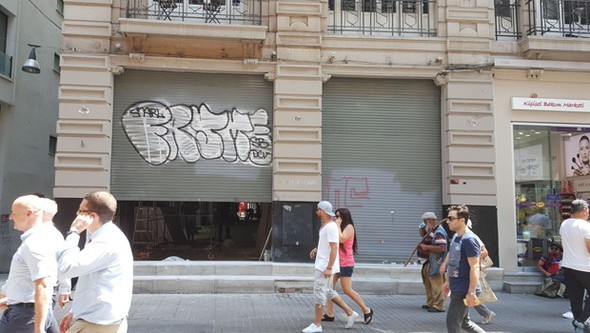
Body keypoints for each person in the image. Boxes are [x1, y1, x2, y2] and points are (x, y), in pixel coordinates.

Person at [58, 191, 133, 333]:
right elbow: (90, 278)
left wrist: (73, 233)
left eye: (80, 210)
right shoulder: (101, 235)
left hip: (98, 323)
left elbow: (65, 268)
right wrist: (75, 311)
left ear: (92, 216)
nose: (76, 213)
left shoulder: (105, 241)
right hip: (98, 319)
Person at [0, 195, 58, 333]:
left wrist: (38, 328)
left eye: (14, 213)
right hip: (30, 312)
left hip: (25, 317)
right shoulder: (38, 239)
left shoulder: (33, 244)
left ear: (29, 213)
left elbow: (42, 286)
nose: (10, 217)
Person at [302, 201, 359, 333]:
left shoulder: (331, 227)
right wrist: (317, 249)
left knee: (319, 293)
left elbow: (334, 248)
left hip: (324, 267)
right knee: (328, 292)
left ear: (323, 211)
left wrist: (328, 267)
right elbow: (328, 245)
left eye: (318, 210)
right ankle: (350, 313)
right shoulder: (326, 226)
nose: (316, 212)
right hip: (323, 264)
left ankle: (317, 324)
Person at [322, 208, 373, 324]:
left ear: (344, 217)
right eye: (335, 216)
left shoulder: (349, 227)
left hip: (345, 264)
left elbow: (342, 238)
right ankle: (329, 313)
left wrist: (338, 225)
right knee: (330, 289)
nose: (336, 218)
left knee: (347, 290)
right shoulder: (337, 227)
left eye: (339, 216)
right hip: (336, 263)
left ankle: (366, 310)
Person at [440, 204, 486, 333]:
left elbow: (475, 266)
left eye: (450, 218)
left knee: (453, 322)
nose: (447, 221)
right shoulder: (456, 236)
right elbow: (453, 262)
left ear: (461, 220)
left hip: (464, 288)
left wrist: (471, 292)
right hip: (457, 286)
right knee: (465, 322)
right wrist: (448, 282)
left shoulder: (469, 240)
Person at [559, 199, 590, 333]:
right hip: (585, 267)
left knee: (575, 298)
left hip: (568, 266)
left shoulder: (564, 224)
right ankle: (581, 321)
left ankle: (578, 326)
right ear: (584, 210)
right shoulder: (585, 226)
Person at [417, 212, 447, 313]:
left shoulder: (439, 232)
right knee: (428, 284)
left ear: (430, 220)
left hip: (435, 262)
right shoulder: (431, 230)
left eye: (425, 221)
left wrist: (427, 247)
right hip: (428, 262)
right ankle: (431, 302)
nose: (424, 223)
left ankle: (438, 305)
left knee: (436, 284)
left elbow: (442, 248)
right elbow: (423, 234)